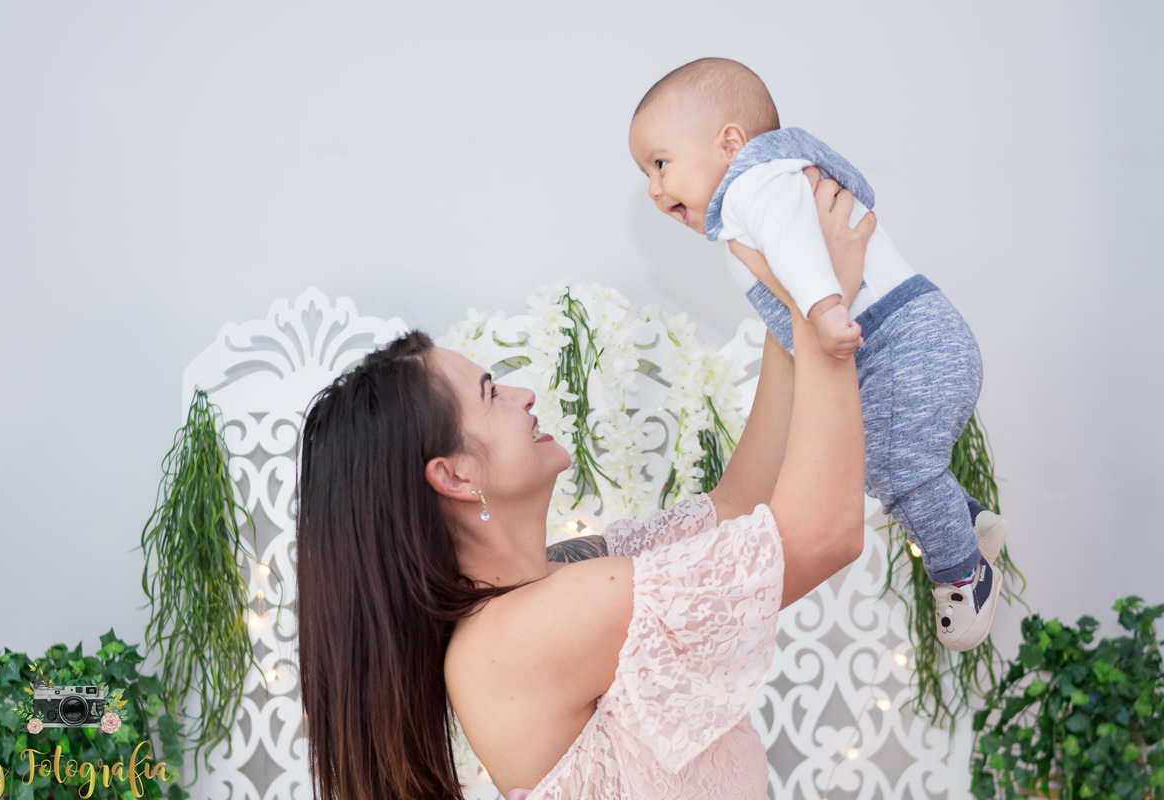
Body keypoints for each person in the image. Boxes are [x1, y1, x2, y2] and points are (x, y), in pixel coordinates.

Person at [295, 170, 868, 800]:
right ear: (455, 475)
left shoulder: (559, 584)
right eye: (491, 394)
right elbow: (823, 536)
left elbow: (736, 508)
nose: (523, 394)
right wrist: (827, 312)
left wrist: (790, 300)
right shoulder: (533, 627)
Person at [627, 56, 1007, 652]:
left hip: (900, 334)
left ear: (730, 143)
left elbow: (800, 246)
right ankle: (970, 522)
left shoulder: (754, 184)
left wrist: (827, 313)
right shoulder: (760, 187)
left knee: (898, 466)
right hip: (906, 332)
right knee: (885, 461)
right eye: (646, 173)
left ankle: (963, 576)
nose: (653, 189)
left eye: (661, 163)